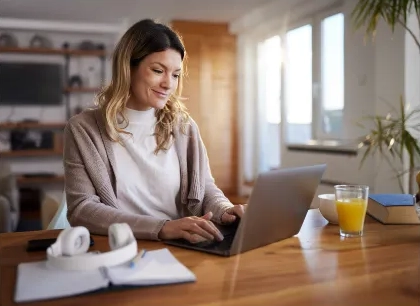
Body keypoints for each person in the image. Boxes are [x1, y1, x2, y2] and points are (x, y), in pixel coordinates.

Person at [63, 19, 246, 244]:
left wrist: (224, 210)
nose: (168, 84)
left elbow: (205, 187)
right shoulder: (84, 129)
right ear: (127, 68)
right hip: (123, 247)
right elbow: (81, 210)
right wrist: (162, 228)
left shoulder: (183, 126)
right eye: (158, 70)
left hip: (185, 247)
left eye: (176, 74)